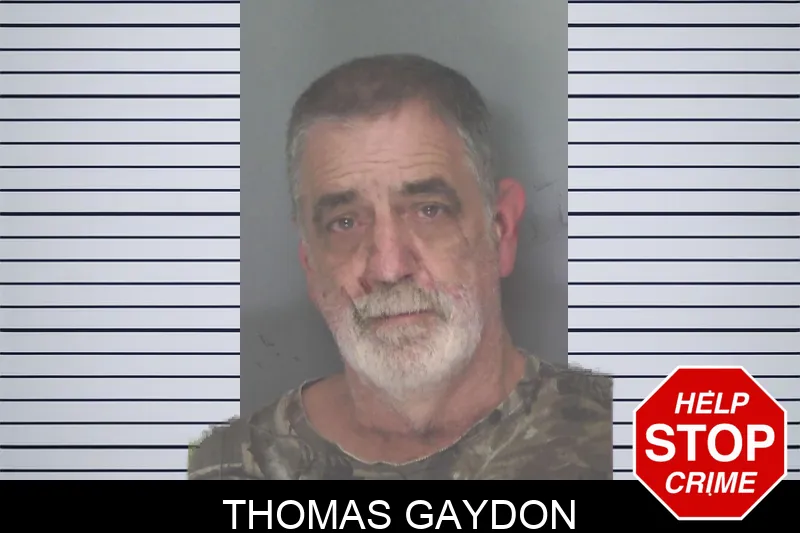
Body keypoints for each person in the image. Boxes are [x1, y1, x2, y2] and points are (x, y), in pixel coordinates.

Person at [188, 54, 612, 480]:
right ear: (311, 267)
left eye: (429, 210)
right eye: (345, 222)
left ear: (501, 230)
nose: (389, 269)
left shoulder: (625, 447)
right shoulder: (220, 469)